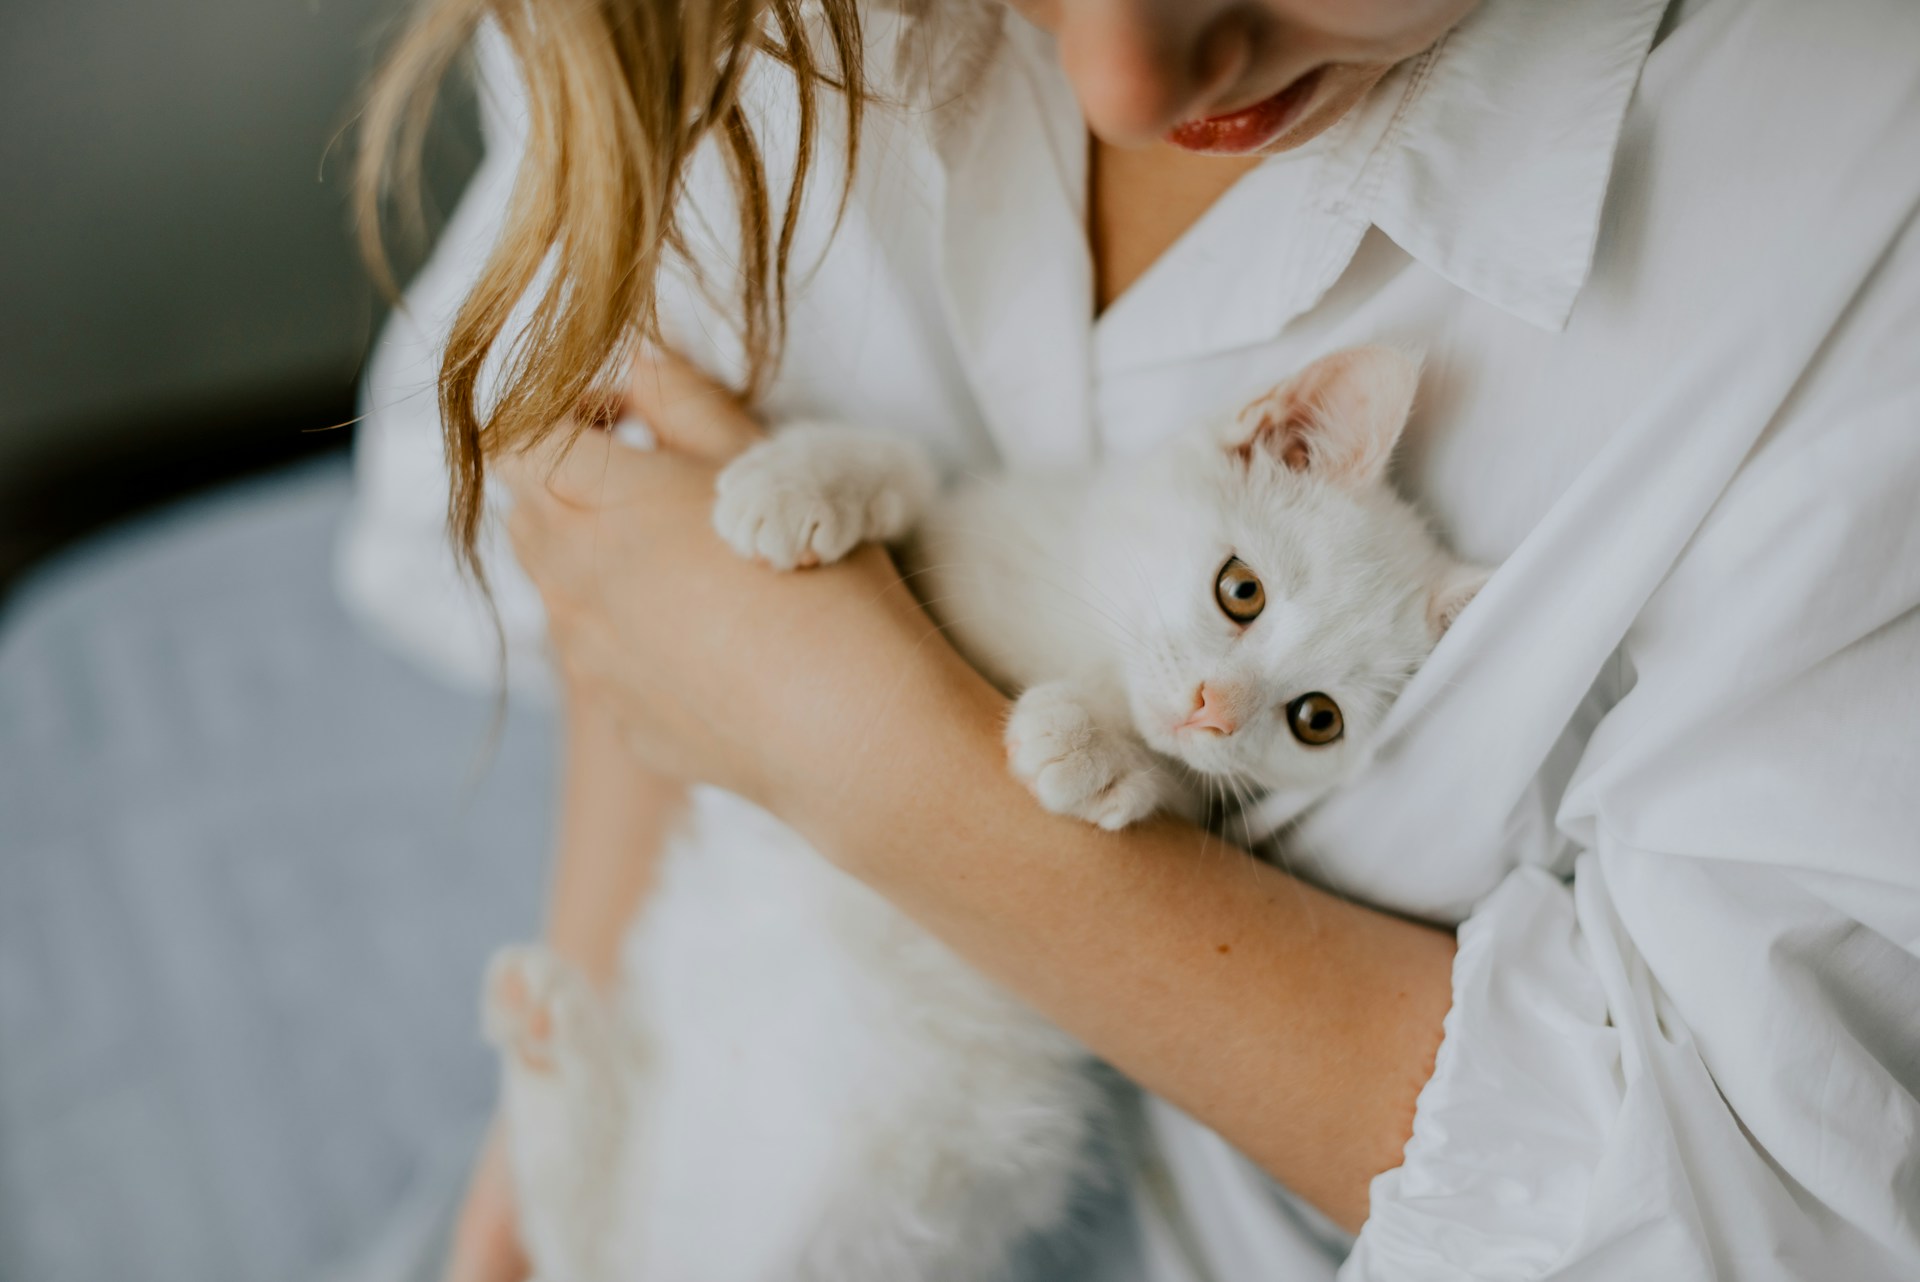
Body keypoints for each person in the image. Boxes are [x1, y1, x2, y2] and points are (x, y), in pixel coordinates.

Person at [338, 0, 1920, 1278]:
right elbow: (643, 520)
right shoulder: (729, 32)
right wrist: (590, 1061)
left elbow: (1785, 1221)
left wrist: (894, 777)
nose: (1121, 77)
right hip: (688, 1061)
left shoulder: (1852, 221)